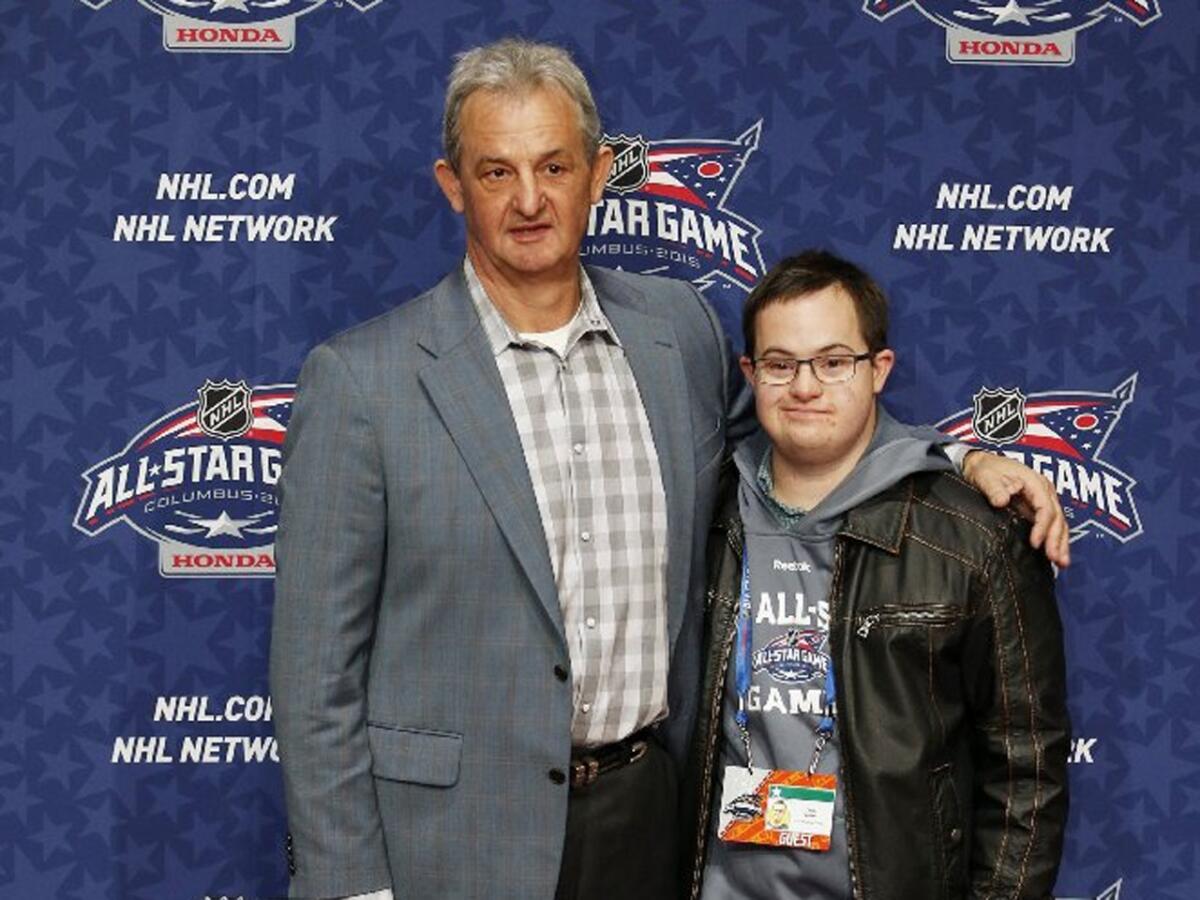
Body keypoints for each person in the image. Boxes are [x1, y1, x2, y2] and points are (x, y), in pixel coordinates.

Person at [269, 39, 1069, 900]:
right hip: (454, 838)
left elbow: (796, 430)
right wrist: (349, 884)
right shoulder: (363, 379)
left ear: (599, 172)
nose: (530, 199)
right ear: (452, 185)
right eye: (496, 173)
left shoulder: (674, 330)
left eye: (554, 165)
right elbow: (316, 677)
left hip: (648, 817)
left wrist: (959, 457)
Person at [681, 250, 1069, 900]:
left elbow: (1026, 766)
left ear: (878, 369)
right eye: (780, 364)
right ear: (750, 372)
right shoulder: (706, 509)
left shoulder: (973, 536)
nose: (805, 386)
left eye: (834, 362)